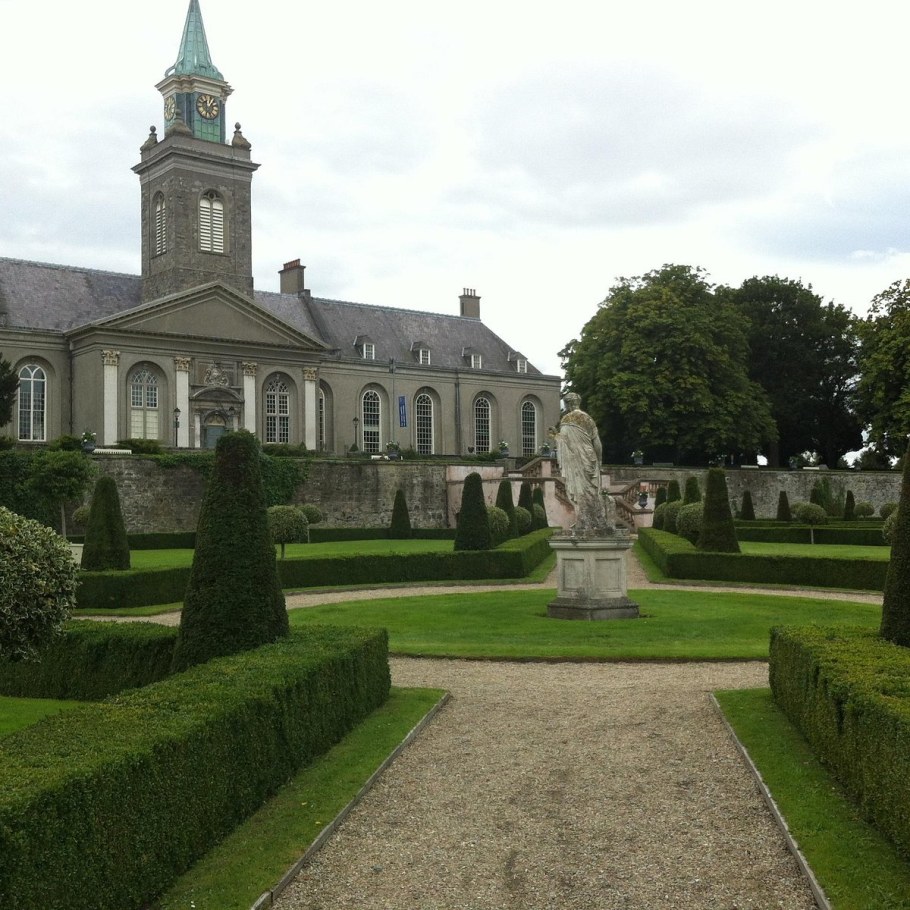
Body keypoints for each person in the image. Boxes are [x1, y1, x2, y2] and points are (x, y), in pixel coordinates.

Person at [552, 392, 614, 534]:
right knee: (592, 490)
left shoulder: (566, 420)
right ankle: (595, 520)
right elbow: (597, 443)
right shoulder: (588, 419)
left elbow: (563, 443)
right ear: (579, 403)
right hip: (589, 457)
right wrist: (600, 460)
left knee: (579, 490)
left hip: (576, 460)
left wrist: (555, 435)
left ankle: (585, 519)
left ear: (567, 404)